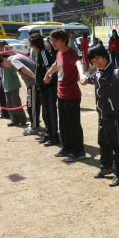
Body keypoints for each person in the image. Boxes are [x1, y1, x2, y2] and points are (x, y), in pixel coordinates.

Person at [83, 44, 119, 186]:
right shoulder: (98, 72)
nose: (97, 63)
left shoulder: (114, 71)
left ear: (105, 56)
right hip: (102, 114)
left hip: (112, 115)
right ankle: (106, 167)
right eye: (93, 61)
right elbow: (91, 78)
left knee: (117, 145)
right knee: (102, 141)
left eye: (98, 58)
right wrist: (84, 79)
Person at [44, 28, 87, 162]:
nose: (52, 43)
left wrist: (82, 74)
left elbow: (78, 63)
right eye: (51, 40)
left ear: (64, 40)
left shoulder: (71, 53)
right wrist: (48, 74)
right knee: (63, 124)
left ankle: (79, 151)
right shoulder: (59, 53)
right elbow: (56, 65)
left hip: (72, 96)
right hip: (61, 95)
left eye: (55, 40)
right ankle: (67, 148)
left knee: (73, 125)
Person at [29, 33, 59, 146]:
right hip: (42, 89)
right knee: (45, 113)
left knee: (50, 112)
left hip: (48, 89)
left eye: (31, 44)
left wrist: (47, 79)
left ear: (34, 44)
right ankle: (47, 135)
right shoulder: (39, 54)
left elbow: (49, 70)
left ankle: (53, 136)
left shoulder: (44, 53)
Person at [0, 53, 39, 135]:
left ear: (5, 58)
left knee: (31, 107)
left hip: (33, 83)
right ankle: (33, 125)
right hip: (33, 83)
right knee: (31, 106)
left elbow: (23, 69)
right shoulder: (16, 57)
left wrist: (36, 77)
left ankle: (34, 127)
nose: (5, 67)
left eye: (3, 64)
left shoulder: (13, 60)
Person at [0, 53, 27, 127]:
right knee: (9, 103)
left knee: (16, 103)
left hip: (13, 85)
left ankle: (22, 119)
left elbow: (14, 71)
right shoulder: (1, 62)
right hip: (6, 85)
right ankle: (14, 120)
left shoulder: (10, 62)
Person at [0, 41, 11, 120]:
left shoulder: (6, 55)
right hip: (1, 77)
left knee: (3, 96)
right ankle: (4, 113)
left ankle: (6, 113)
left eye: (2, 46)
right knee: (1, 96)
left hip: (6, 77)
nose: (1, 48)